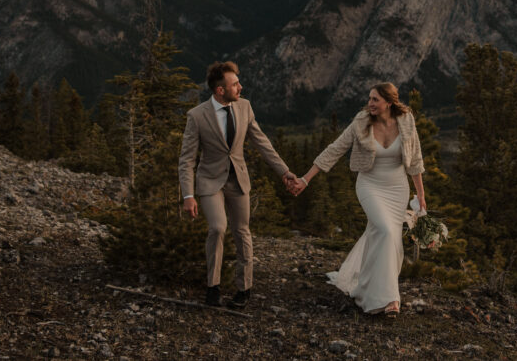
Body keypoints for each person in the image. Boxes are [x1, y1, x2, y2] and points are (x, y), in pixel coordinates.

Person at [293, 83, 425, 317]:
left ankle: (378, 292)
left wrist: (421, 197)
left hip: (398, 188)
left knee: (391, 238)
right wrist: (305, 179)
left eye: (375, 99)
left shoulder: (406, 120)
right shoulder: (361, 121)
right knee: (385, 231)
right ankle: (385, 298)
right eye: (369, 99)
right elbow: (335, 149)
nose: (370, 103)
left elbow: (415, 160)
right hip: (370, 185)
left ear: (389, 102)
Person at [178, 61, 301, 308]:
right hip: (210, 181)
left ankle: (244, 289)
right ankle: (213, 287)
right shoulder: (197, 116)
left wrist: (284, 172)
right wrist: (188, 195)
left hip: (238, 179)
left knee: (242, 231)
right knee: (217, 228)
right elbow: (187, 158)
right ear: (219, 90)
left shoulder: (244, 107)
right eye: (235, 84)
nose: (240, 87)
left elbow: (262, 142)